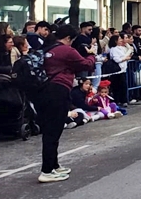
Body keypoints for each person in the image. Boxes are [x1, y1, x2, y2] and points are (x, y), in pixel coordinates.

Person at [37, 25, 96, 183]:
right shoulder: (66, 50)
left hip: (45, 91)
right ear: (69, 38)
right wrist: (91, 55)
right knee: (53, 131)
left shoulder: (47, 48)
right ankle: (47, 170)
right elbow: (86, 65)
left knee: (52, 130)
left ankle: (54, 165)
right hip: (58, 90)